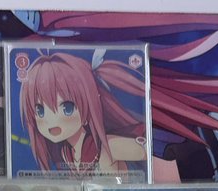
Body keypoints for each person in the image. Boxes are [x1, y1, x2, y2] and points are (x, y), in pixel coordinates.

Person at [17, 51, 147, 175]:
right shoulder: (66, 153)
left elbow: (151, 155)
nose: (51, 121)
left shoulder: (109, 146)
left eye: (67, 108)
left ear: (89, 105)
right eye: (40, 111)